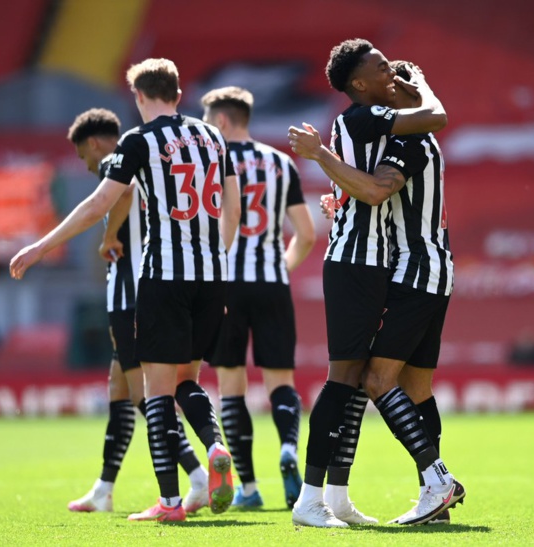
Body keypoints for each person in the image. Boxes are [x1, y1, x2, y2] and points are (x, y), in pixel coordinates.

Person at [10, 58, 241, 522]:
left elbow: (100, 203)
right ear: (178, 93)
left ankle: (170, 503)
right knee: (187, 381)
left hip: (163, 278)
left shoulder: (138, 140)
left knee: (156, 392)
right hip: (211, 276)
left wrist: (40, 245)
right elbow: (232, 208)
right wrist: (218, 258)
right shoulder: (213, 137)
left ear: (138, 97)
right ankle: (215, 445)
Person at [286, 39, 462, 528]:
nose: (392, 75)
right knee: (352, 382)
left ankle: (355, 496)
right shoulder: (369, 120)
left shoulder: (398, 134)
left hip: (394, 265)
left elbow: (369, 187)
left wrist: (333, 179)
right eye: (382, 69)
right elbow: (372, 188)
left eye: (394, 70)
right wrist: (328, 169)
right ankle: (314, 501)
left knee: (367, 383)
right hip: (366, 264)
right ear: (360, 85)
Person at [64, 108, 209, 514]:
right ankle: (104, 488)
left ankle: (197, 475)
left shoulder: (117, 162)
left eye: (83, 156)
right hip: (148, 288)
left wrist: (108, 234)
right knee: (120, 389)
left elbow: (124, 193)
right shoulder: (153, 159)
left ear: (94, 143)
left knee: (146, 395)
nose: (87, 164)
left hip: (131, 294)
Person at [200, 86, 316, 509]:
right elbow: (306, 234)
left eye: (208, 119)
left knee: (231, 385)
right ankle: (288, 448)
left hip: (226, 283)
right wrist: (281, 268)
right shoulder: (281, 163)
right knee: (280, 381)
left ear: (223, 121)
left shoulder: (211, 161)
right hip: (271, 281)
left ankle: (248, 488)